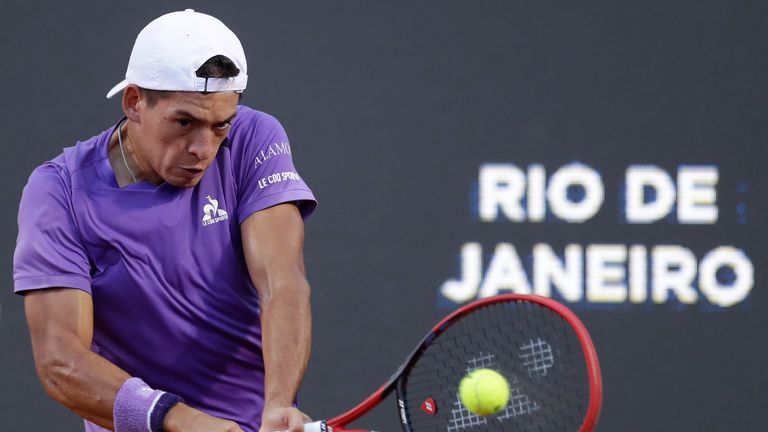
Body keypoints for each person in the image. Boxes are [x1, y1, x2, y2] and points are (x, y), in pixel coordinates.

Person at [13, 9, 316, 432]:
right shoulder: (57, 192)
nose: (203, 148)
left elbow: (281, 282)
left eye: (220, 126)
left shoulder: (254, 138)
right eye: (185, 122)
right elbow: (60, 362)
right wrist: (184, 422)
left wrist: (278, 404)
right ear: (135, 102)